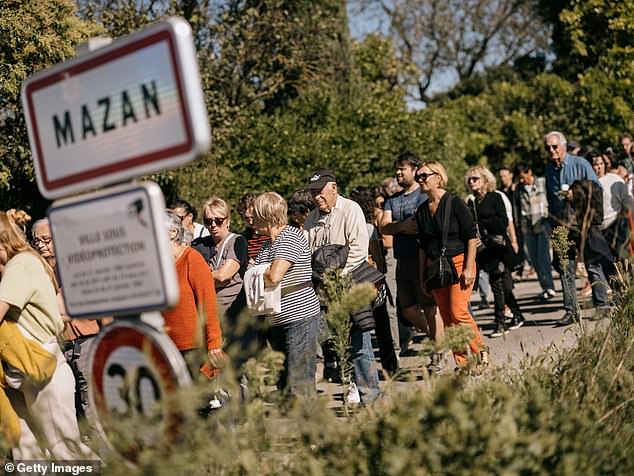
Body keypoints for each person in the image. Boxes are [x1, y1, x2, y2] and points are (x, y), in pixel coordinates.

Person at [0, 211, 94, 460]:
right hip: (24, 372)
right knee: (27, 453)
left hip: (43, 372)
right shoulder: (24, 264)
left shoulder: (20, 265)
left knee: (67, 452)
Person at [304, 169, 379, 403]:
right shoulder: (312, 218)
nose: (316, 196)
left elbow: (358, 248)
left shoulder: (351, 209)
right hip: (324, 290)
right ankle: (351, 386)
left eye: (320, 191)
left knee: (359, 343)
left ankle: (371, 398)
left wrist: (338, 276)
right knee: (335, 343)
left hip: (350, 284)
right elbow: (307, 252)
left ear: (334, 187)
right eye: (313, 192)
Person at [414, 162, 488, 369]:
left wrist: (468, 267)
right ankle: (462, 363)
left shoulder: (454, 202)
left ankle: (480, 351)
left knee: (458, 312)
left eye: (424, 176)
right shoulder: (421, 210)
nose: (420, 180)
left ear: (438, 177)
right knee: (447, 318)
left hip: (458, 262)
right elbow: (422, 247)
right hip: (435, 268)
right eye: (418, 177)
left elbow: (471, 236)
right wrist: (422, 276)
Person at [250, 192, 321, 396]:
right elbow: (258, 272)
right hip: (278, 319)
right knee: (285, 384)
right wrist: (258, 271)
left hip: (299, 317)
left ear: (268, 216)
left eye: (255, 214)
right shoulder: (267, 245)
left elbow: (274, 276)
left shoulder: (290, 236)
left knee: (300, 382)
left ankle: (310, 425)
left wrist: (256, 273)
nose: (251, 219)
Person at [31, 218, 102, 418]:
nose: (41, 245)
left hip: (87, 340)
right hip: (57, 343)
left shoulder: (75, 266)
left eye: (46, 239)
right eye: (37, 241)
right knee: (68, 402)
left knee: (91, 398)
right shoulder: (37, 269)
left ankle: (104, 447)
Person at [380, 152, 444, 373]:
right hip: (402, 260)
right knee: (406, 309)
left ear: (415, 170)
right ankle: (439, 339)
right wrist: (401, 227)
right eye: (396, 169)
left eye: (402, 169)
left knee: (429, 307)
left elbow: (421, 223)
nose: (398, 173)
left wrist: (397, 226)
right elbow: (384, 227)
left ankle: (437, 354)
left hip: (422, 257)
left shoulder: (423, 195)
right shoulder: (392, 199)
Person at [544, 131, 599, 326]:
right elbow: (551, 200)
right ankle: (571, 311)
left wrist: (576, 193)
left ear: (564, 146)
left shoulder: (580, 164)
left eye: (554, 146)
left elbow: (596, 188)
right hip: (560, 224)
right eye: (548, 147)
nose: (551, 150)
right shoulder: (549, 170)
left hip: (583, 222)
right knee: (564, 268)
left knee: (592, 263)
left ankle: (602, 305)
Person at [162, 211, 224, 376]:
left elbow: (208, 304)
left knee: (196, 400)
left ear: (173, 233)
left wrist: (214, 344)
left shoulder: (192, 259)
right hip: (165, 349)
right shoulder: (158, 266)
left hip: (193, 349)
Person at [466, 165, 525, 336]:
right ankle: (518, 315)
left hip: (498, 246)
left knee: (497, 284)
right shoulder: (472, 201)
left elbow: (504, 221)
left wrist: (485, 224)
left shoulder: (495, 197)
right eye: (469, 179)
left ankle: (500, 322)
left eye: (475, 178)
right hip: (485, 248)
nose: (471, 182)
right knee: (504, 285)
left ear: (485, 179)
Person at [192, 197, 248, 318]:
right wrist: (213, 275)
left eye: (218, 220)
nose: (213, 225)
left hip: (231, 314)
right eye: (208, 221)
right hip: (206, 313)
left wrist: (204, 275)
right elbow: (192, 279)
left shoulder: (237, 241)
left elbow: (223, 276)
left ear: (228, 221)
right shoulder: (199, 244)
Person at [514, 163, 556, 300]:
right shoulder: (518, 189)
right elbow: (517, 208)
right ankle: (544, 287)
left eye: (523, 177)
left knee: (543, 256)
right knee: (534, 259)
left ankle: (550, 287)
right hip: (527, 227)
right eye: (519, 178)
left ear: (529, 171)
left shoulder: (542, 183)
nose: (521, 180)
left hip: (542, 224)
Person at [588, 150, 634, 260]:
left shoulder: (614, 179)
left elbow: (628, 201)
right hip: (598, 230)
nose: (599, 167)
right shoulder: (588, 183)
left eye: (601, 164)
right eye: (595, 164)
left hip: (616, 224)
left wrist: (623, 215)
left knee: (623, 260)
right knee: (606, 263)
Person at [237, 193, 269, 262]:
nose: (251, 222)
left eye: (253, 217)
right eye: (247, 219)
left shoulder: (272, 234)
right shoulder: (243, 238)